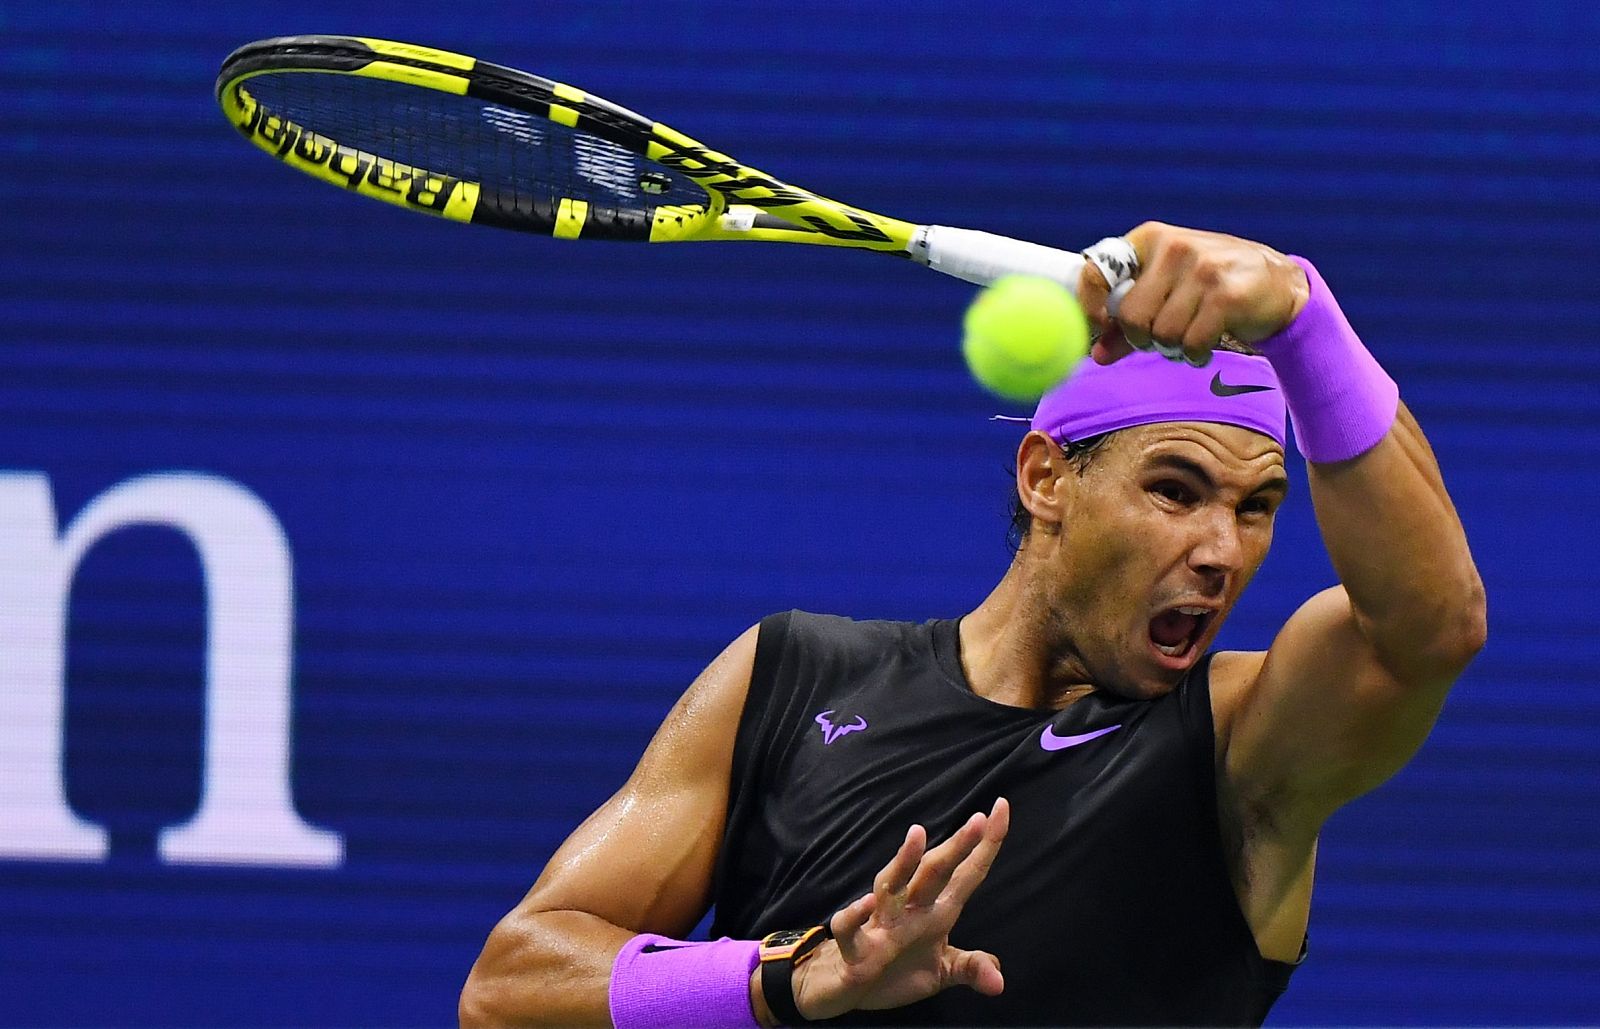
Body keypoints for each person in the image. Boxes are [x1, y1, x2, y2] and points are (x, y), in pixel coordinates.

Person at [458, 223, 1486, 1027]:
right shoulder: (791, 674)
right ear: (1047, 479)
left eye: (1256, 507)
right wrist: (791, 980)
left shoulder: (1240, 745)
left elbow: (1429, 628)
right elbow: (512, 985)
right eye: (1176, 490)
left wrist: (1304, 320)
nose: (1222, 549)